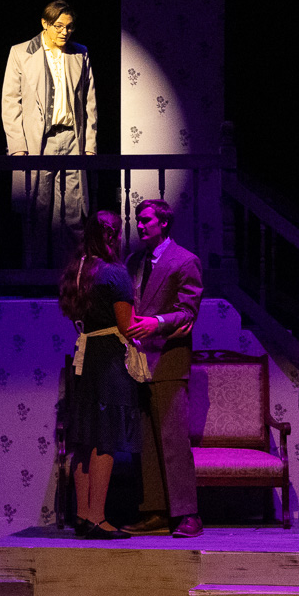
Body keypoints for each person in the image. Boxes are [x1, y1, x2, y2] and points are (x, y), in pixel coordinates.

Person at [123, 199, 204, 537]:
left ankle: (188, 515)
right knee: (146, 444)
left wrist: (156, 323)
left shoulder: (184, 260)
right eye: (138, 220)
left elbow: (188, 312)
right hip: (138, 361)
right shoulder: (134, 261)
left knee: (173, 440)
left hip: (168, 360)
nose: (140, 226)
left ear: (164, 223)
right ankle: (155, 511)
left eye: (146, 220)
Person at [57, 210, 138, 539]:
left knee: (84, 438)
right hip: (108, 358)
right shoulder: (114, 273)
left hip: (84, 354)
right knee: (106, 438)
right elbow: (127, 326)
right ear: (112, 235)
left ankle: (82, 515)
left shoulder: (77, 270)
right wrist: (158, 326)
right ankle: (98, 518)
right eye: (116, 233)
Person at [2, 0, 98, 269]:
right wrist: (18, 147)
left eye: (69, 27)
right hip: (38, 142)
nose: (65, 32)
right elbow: (10, 103)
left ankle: (70, 275)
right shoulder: (21, 52)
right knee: (37, 211)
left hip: (72, 139)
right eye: (58, 26)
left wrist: (89, 146)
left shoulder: (80, 53)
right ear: (45, 24)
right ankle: (35, 277)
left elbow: (89, 103)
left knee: (73, 213)